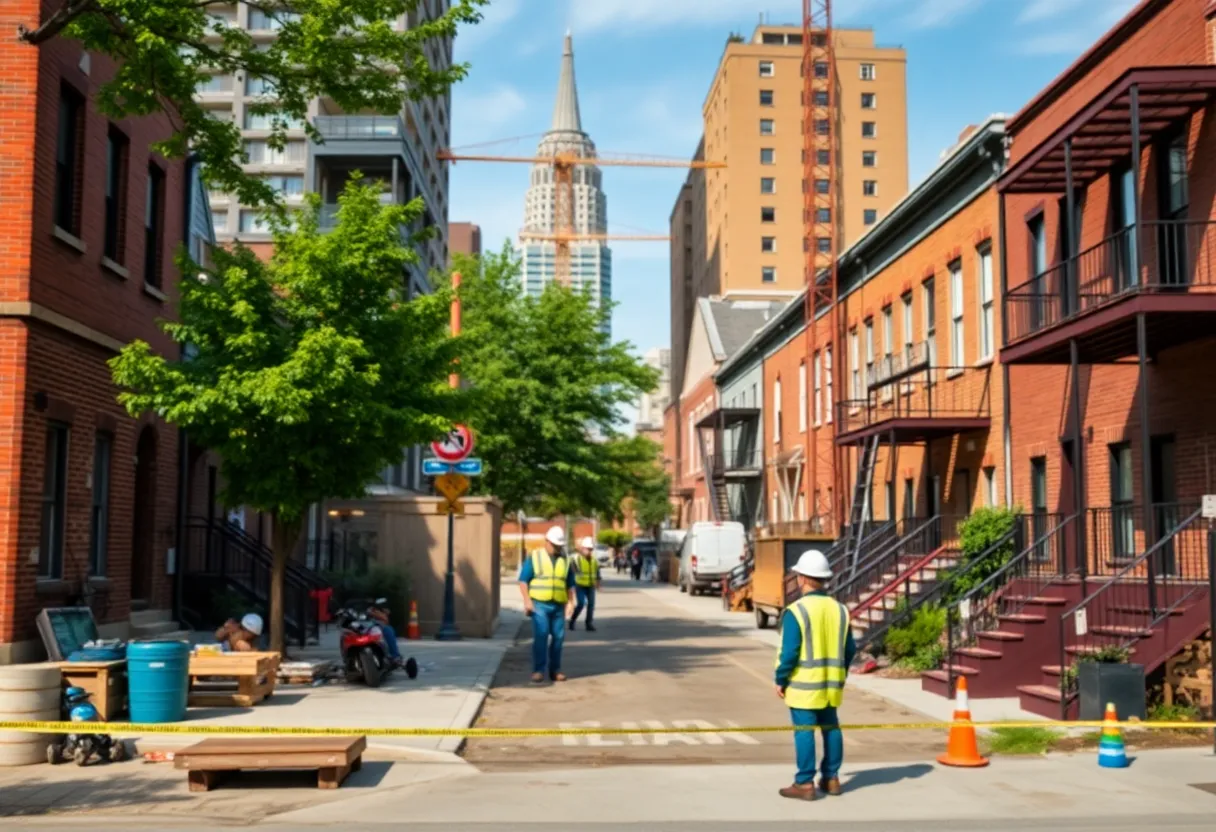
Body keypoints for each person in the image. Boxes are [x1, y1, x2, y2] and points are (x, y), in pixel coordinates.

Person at [774, 549, 856, 801]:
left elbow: (789, 652)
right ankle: (831, 778)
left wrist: (781, 679)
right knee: (831, 729)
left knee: (804, 731)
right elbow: (850, 649)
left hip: (803, 686)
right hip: (831, 685)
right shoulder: (840, 610)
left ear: (803, 578)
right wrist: (839, 674)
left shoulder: (796, 611)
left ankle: (804, 783)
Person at [518, 526, 576, 684]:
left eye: (559, 545)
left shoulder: (565, 560)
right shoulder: (535, 557)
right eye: (555, 545)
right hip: (539, 604)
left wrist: (571, 602)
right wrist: (527, 601)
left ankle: (555, 670)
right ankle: (538, 670)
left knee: (558, 637)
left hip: (558, 605)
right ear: (547, 541)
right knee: (541, 635)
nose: (557, 548)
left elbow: (570, 584)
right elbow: (523, 581)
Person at [570, 536, 601, 631]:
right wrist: (571, 586)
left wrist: (598, 583)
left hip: (590, 585)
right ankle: (572, 620)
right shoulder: (576, 559)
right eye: (588, 549)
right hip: (580, 585)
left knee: (591, 604)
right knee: (581, 604)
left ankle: (589, 623)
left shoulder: (594, 560)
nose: (590, 551)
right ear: (583, 548)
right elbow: (571, 573)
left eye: (591, 549)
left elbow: (597, 573)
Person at [367, 599, 404, 666]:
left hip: (374, 625)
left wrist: (378, 612)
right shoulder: (365, 608)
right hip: (362, 625)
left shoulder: (376, 610)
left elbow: (385, 619)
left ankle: (394, 656)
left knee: (388, 630)